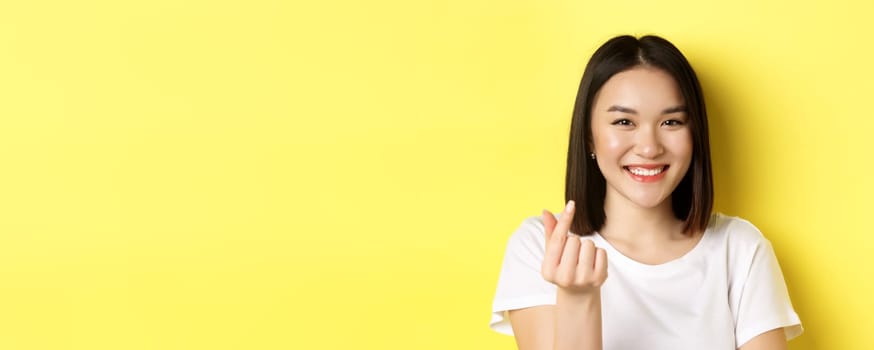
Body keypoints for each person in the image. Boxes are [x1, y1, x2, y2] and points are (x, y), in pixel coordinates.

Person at [489, 35, 803, 350]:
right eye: (624, 122)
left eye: (671, 122)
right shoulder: (539, 249)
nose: (650, 148)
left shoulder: (739, 249)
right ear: (588, 137)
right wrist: (578, 299)